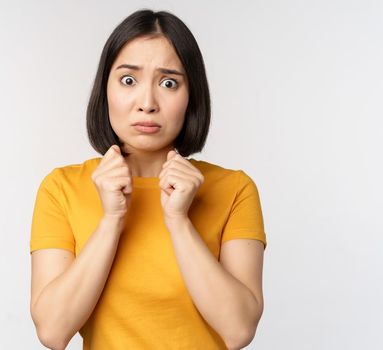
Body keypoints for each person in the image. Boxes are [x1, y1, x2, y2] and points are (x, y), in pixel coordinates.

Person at [29, 9, 267, 350]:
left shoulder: (234, 189)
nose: (147, 103)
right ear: (105, 88)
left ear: (191, 96)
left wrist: (178, 220)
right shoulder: (62, 188)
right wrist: (111, 220)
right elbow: (53, 331)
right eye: (129, 80)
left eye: (169, 83)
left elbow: (239, 329)